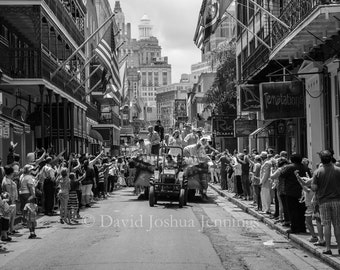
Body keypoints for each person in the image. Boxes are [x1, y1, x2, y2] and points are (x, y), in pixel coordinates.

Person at [311, 150, 340, 255]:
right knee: (337, 224)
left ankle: (328, 248)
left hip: (323, 201)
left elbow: (314, 188)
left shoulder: (318, 172)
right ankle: (339, 247)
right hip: (337, 200)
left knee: (326, 224)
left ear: (321, 160)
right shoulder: (338, 170)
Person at [280, 153, 311, 234]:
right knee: (301, 211)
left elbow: (282, 175)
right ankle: (302, 227)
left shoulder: (289, 167)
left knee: (293, 211)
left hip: (291, 192)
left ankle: (294, 228)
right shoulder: (305, 167)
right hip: (302, 192)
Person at [1, 166, 18, 235]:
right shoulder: (6, 181)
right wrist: (11, 201)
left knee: (12, 216)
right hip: (9, 201)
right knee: (9, 216)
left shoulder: (9, 179)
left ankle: (12, 229)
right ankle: (8, 230)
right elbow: (8, 193)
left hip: (12, 200)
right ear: (11, 173)